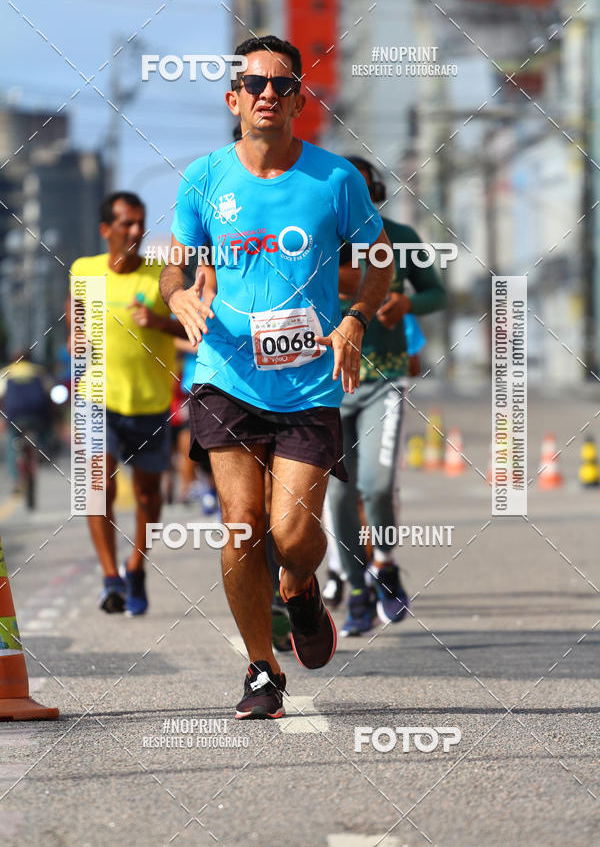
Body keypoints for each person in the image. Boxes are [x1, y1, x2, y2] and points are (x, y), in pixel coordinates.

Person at [160, 35, 393, 719]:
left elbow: (379, 260)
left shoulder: (334, 181)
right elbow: (177, 264)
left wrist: (354, 320)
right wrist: (177, 296)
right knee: (242, 527)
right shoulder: (204, 179)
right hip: (225, 374)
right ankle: (262, 671)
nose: (269, 93)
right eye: (256, 84)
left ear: (300, 100)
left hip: (308, 381)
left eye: (283, 85)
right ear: (234, 99)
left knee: (291, 537)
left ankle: (299, 587)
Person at [326, 156, 446, 636]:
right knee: (338, 498)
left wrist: (408, 302)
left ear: (375, 192)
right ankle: (356, 590)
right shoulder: (315, 239)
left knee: (374, 486)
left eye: (363, 189)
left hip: (385, 380)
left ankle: (387, 563)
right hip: (327, 386)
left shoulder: (400, 237)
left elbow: (437, 292)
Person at [69, 192, 185, 615]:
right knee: (96, 491)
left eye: (140, 222)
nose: (136, 231)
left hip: (151, 404)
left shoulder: (161, 275)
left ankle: (135, 567)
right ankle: (110, 578)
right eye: (126, 224)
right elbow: (76, 322)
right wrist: (75, 341)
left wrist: (156, 321)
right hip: (95, 401)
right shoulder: (85, 270)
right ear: (106, 231)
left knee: (149, 496)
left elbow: (190, 323)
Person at [0, 351, 52, 492]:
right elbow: (49, 392)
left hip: (14, 415)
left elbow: (1, 396)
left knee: (12, 445)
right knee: (46, 428)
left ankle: (16, 479)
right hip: (37, 413)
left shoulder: (7, 372)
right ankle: (43, 450)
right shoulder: (38, 371)